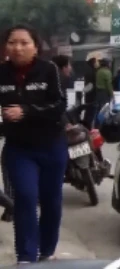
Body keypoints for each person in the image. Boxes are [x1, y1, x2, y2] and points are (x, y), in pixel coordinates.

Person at [0, 24, 68, 263]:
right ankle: (26, 257)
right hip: (19, 149)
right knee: (26, 197)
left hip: (52, 146)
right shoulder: (2, 73)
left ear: (35, 47)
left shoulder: (49, 70)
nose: (17, 48)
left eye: (24, 43)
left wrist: (26, 111)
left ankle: (47, 252)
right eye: (12, 42)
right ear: (5, 47)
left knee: (51, 200)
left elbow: (60, 105)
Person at [93, 59, 114, 125]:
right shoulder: (107, 72)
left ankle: (96, 124)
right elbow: (109, 84)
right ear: (107, 64)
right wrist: (112, 94)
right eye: (110, 63)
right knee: (104, 109)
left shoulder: (98, 71)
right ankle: (103, 124)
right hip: (105, 93)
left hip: (98, 93)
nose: (110, 64)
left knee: (98, 109)